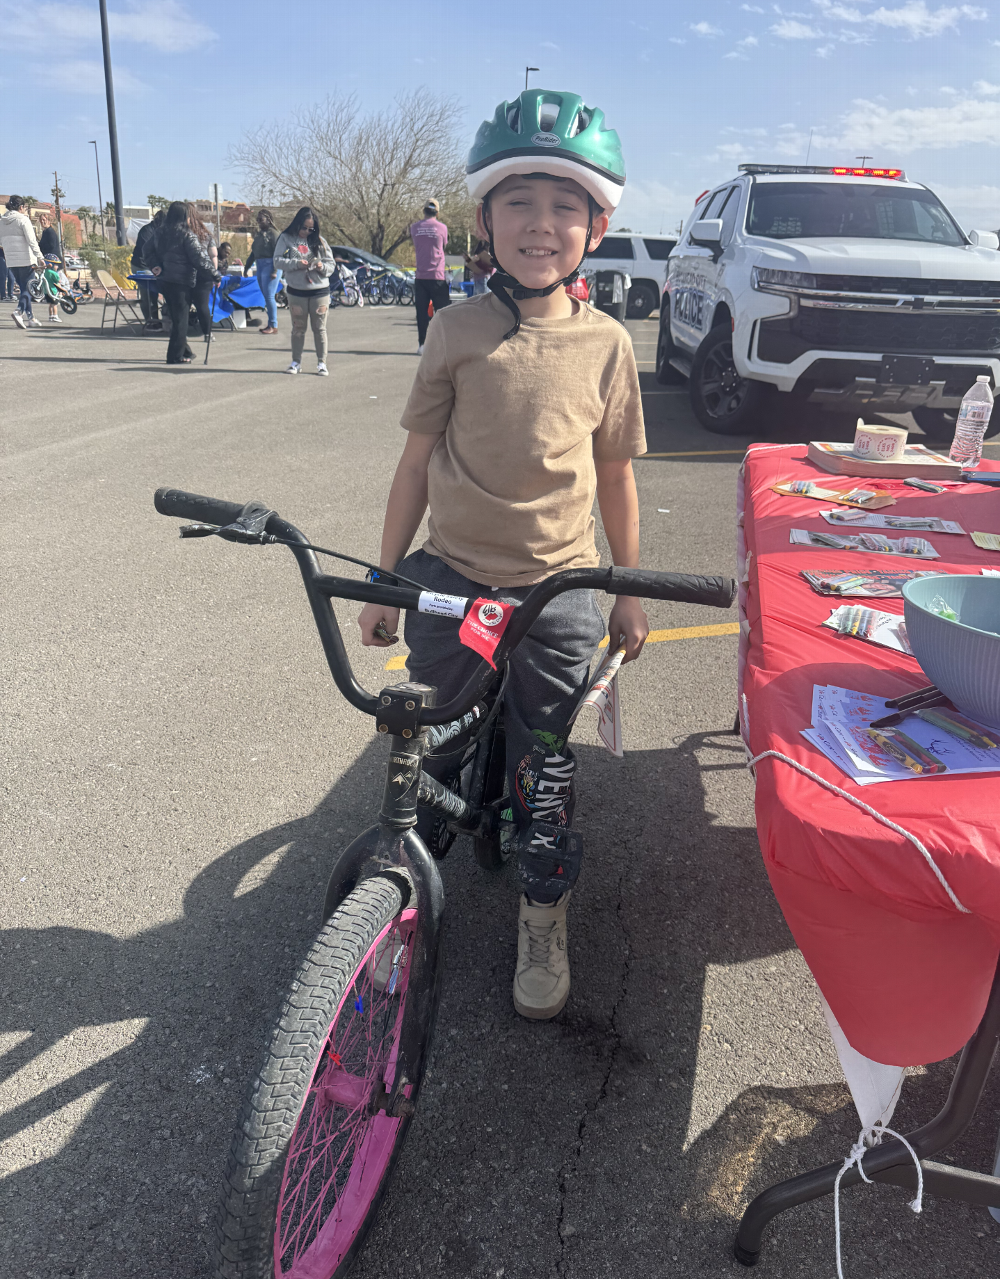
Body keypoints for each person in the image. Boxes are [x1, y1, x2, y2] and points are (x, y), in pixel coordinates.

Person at [357, 90, 644, 1021]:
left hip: (563, 584)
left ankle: (540, 905)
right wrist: (386, 575)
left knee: (545, 763)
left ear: (595, 227)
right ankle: (401, 897)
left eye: (566, 205)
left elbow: (614, 478)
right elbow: (412, 462)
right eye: (520, 201)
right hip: (451, 578)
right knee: (425, 747)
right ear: (483, 218)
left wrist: (627, 593)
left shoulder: (606, 345)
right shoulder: (455, 330)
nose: (541, 223)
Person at [145, 200, 220, 364]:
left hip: (164, 280)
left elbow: (146, 250)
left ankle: (184, 350)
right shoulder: (187, 235)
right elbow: (199, 259)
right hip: (181, 282)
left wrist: (154, 265)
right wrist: (215, 274)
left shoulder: (160, 232)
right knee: (181, 321)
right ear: (183, 217)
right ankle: (175, 356)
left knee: (176, 317)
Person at [273, 206, 333, 375]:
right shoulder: (285, 239)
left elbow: (331, 265)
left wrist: (322, 266)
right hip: (296, 290)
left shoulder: (320, 241)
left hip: (319, 290)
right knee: (298, 328)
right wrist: (296, 264)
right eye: (304, 228)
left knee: (319, 328)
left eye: (310, 229)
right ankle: (296, 362)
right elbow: (277, 261)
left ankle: (322, 363)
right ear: (297, 224)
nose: (306, 232)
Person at [409, 197, 449, 354]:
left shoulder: (414, 227)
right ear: (437, 213)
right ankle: (441, 345)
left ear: (424, 211)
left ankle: (422, 344)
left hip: (421, 275)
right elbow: (444, 245)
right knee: (442, 313)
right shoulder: (442, 228)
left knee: (421, 312)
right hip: (437, 275)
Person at [0, 195, 44, 329]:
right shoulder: (23, 220)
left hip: (11, 261)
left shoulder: (2, 221)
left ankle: (31, 318)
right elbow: (32, 241)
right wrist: (40, 257)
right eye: (25, 207)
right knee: (29, 289)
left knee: (24, 288)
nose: (25, 210)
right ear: (21, 207)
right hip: (26, 259)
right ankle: (19, 311)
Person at [186, 205, 218, 346]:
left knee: (183, 305)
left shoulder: (182, 232)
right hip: (204, 273)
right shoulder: (205, 233)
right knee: (202, 305)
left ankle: (181, 333)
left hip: (186, 272)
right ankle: (207, 333)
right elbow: (214, 255)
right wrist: (214, 273)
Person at [244, 208, 280, 335]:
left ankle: (273, 325)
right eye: (257, 219)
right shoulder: (259, 235)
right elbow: (253, 253)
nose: (258, 222)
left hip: (271, 265)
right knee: (266, 296)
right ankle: (270, 323)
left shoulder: (274, 234)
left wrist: (275, 270)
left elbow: (279, 253)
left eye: (261, 219)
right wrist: (246, 267)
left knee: (270, 296)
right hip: (260, 265)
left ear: (268, 220)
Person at [132, 209, 164, 329]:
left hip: (153, 266)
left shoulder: (160, 232)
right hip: (142, 265)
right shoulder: (147, 231)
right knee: (148, 294)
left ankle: (158, 319)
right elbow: (147, 251)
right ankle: (151, 321)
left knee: (154, 293)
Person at [41, 254, 64, 323]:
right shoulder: (54, 273)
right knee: (55, 305)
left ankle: (50, 316)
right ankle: (55, 316)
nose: (57, 267)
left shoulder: (44, 272)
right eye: (56, 265)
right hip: (53, 291)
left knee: (50, 305)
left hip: (46, 291)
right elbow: (59, 281)